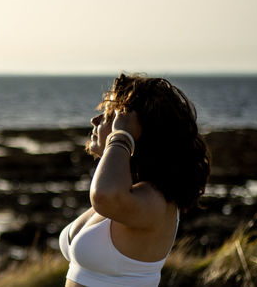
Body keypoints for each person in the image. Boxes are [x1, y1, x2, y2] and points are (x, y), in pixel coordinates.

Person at [59, 73, 210, 287]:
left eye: (109, 116)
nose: (95, 120)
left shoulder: (155, 200)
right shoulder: (133, 191)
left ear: (135, 132)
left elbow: (103, 195)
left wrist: (120, 136)